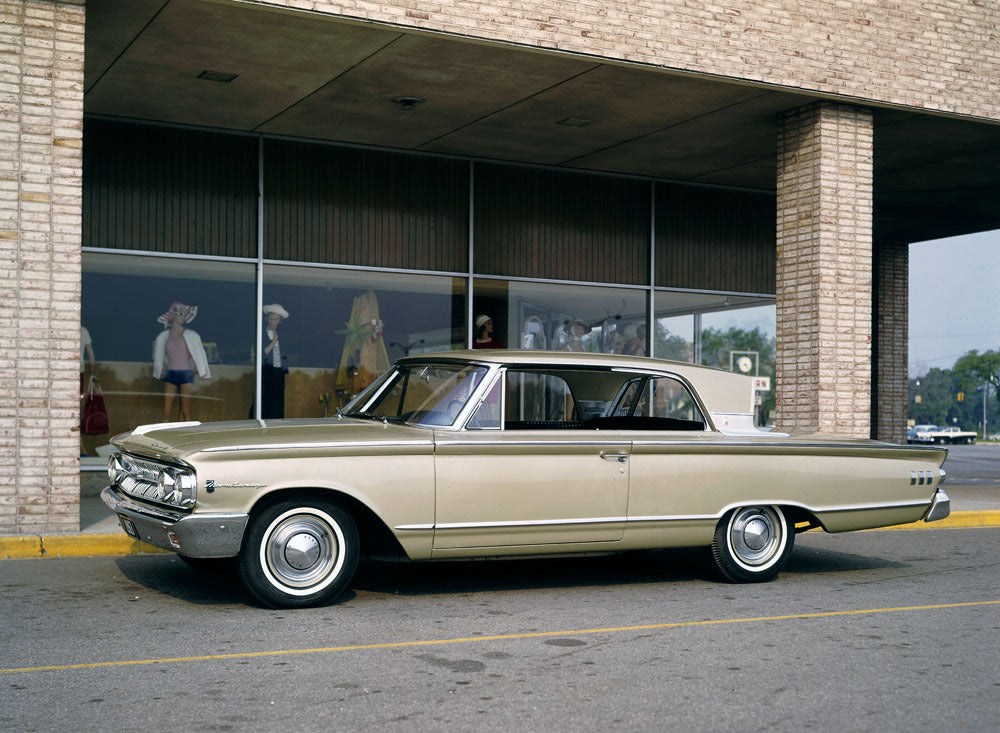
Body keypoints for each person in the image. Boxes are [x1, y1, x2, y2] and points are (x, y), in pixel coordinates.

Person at [152, 302, 210, 421]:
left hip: (186, 375)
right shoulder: (164, 336)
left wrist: (195, 371)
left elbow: (199, 354)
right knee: (166, 411)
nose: (183, 317)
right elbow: (159, 355)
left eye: (184, 314)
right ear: (173, 316)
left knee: (186, 411)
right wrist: (160, 370)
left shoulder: (191, 335)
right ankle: (163, 437)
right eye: (180, 314)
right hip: (170, 374)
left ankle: (188, 437)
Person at [260, 303, 289, 418]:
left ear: (279, 321)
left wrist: (284, 370)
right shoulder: (262, 333)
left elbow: (284, 355)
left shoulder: (282, 335)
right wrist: (273, 342)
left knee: (278, 400)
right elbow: (262, 353)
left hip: (279, 372)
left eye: (276, 319)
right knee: (266, 400)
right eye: (271, 319)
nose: (273, 322)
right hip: (266, 372)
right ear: (267, 319)